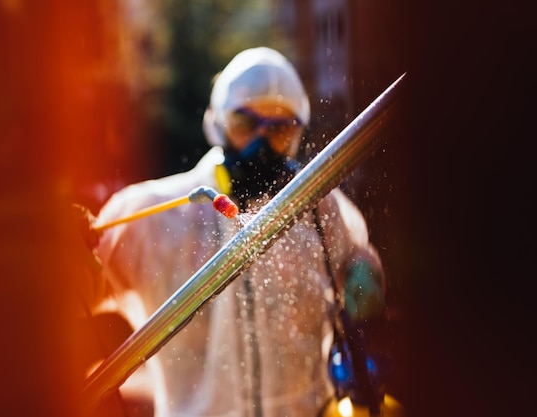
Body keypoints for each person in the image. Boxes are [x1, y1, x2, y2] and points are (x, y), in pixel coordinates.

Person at [94, 46, 386, 417]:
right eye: (245, 124)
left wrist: (366, 267)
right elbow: (78, 287)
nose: (261, 144)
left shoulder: (322, 210)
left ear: (298, 132)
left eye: (280, 127)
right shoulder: (152, 219)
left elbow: (359, 259)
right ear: (217, 123)